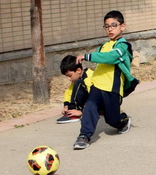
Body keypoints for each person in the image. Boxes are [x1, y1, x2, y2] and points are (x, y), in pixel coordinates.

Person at [72, 10, 139, 150]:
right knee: (89, 106)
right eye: (107, 26)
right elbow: (99, 57)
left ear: (122, 26)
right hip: (97, 85)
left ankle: (123, 121)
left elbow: (111, 57)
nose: (110, 29)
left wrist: (88, 56)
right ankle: (84, 136)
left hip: (112, 88)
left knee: (112, 119)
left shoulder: (124, 46)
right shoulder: (102, 47)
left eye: (113, 25)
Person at [57, 55, 92, 124]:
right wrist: (66, 105)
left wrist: (82, 111)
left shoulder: (90, 78)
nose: (69, 79)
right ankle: (72, 110)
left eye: (69, 76)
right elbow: (69, 92)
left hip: (102, 104)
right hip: (91, 105)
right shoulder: (78, 80)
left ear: (78, 70)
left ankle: (74, 114)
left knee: (79, 83)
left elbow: (96, 98)